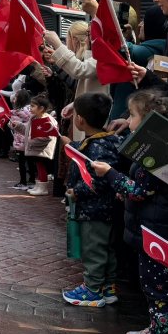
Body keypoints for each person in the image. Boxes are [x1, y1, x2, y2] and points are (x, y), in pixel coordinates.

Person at [90, 91, 168, 334]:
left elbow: (140, 190)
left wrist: (111, 175)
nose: (128, 119)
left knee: (158, 287)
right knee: (153, 285)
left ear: (147, 119)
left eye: (132, 115)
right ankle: (157, 330)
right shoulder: (159, 147)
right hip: (152, 226)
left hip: (158, 231)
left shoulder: (157, 152)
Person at [61, 92, 124, 307]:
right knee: (108, 249)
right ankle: (108, 287)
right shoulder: (110, 141)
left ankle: (92, 290)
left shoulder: (96, 146)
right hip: (111, 209)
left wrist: (76, 191)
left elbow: (98, 181)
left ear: (80, 120)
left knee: (94, 250)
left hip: (95, 210)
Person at [43, 21, 107, 143]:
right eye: (88, 33)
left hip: (90, 121)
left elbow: (79, 71)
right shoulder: (88, 55)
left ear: (74, 39)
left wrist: (57, 43)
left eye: (90, 33)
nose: (89, 37)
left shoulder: (101, 57)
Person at [19, 95, 58, 195]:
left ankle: (43, 188)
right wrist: (17, 126)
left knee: (41, 167)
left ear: (41, 108)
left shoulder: (48, 120)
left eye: (33, 106)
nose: (30, 108)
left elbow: (48, 136)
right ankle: (39, 186)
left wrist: (32, 141)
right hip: (35, 148)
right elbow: (27, 130)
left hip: (41, 149)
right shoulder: (33, 118)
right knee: (38, 167)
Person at [7, 90, 34, 190]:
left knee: (21, 161)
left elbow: (13, 125)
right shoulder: (31, 110)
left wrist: (10, 122)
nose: (14, 99)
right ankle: (32, 180)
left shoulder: (17, 112)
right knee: (30, 160)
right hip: (30, 138)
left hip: (20, 140)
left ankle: (23, 181)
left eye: (16, 97)